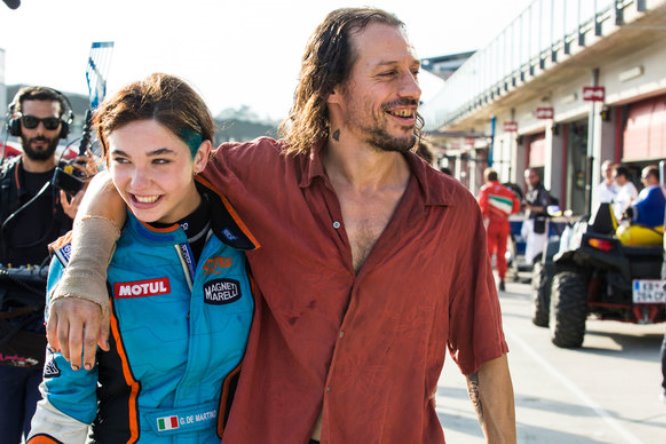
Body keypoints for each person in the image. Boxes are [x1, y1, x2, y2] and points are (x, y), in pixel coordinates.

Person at [46, 8, 516, 443]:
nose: (412, 87)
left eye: (412, 70)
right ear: (331, 88)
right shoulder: (262, 174)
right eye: (388, 73)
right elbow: (131, 176)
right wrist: (84, 272)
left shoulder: (450, 210)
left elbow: (484, 356)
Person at [28, 73, 258, 443]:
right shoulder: (83, 263)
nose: (137, 183)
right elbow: (63, 409)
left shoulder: (249, 240)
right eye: (122, 160)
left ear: (200, 156)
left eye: (160, 160)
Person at [0, 86, 90, 443]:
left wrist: (85, 215)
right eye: (31, 121)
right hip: (5, 339)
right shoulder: (3, 182)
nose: (40, 131)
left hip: (56, 346)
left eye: (50, 123)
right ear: (16, 124)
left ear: (63, 127)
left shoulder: (82, 189)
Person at [478, 168, 520, 292]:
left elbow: (483, 208)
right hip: (504, 223)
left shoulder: (486, 189)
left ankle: (485, 280)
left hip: (491, 223)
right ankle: (502, 279)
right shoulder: (507, 191)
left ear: (487, 178)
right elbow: (516, 207)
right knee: (502, 253)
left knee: (488, 253)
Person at [616, 165, 666, 246]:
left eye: (645, 177)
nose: (642, 180)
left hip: (657, 229)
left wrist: (629, 211)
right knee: (622, 231)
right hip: (652, 227)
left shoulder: (656, 190)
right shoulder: (648, 190)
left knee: (624, 233)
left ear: (653, 177)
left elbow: (642, 207)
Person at [521, 168, 555, 265]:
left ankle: (536, 269)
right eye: (527, 177)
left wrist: (530, 207)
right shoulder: (530, 191)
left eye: (532, 177)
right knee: (530, 252)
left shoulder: (542, 191)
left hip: (539, 224)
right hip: (530, 223)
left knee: (536, 253)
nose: (529, 180)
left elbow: (546, 208)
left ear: (537, 177)